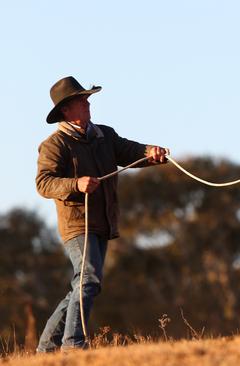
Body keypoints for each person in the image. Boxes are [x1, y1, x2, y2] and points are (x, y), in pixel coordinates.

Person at [35, 76, 168, 352]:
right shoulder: (54, 145)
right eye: (81, 100)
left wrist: (150, 153)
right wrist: (75, 184)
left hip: (103, 221)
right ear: (66, 110)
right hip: (76, 225)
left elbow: (130, 152)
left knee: (83, 285)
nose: (87, 103)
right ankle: (73, 345)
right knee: (88, 280)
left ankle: (47, 347)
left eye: (86, 99)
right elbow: (43, 183)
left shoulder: (105, 135)